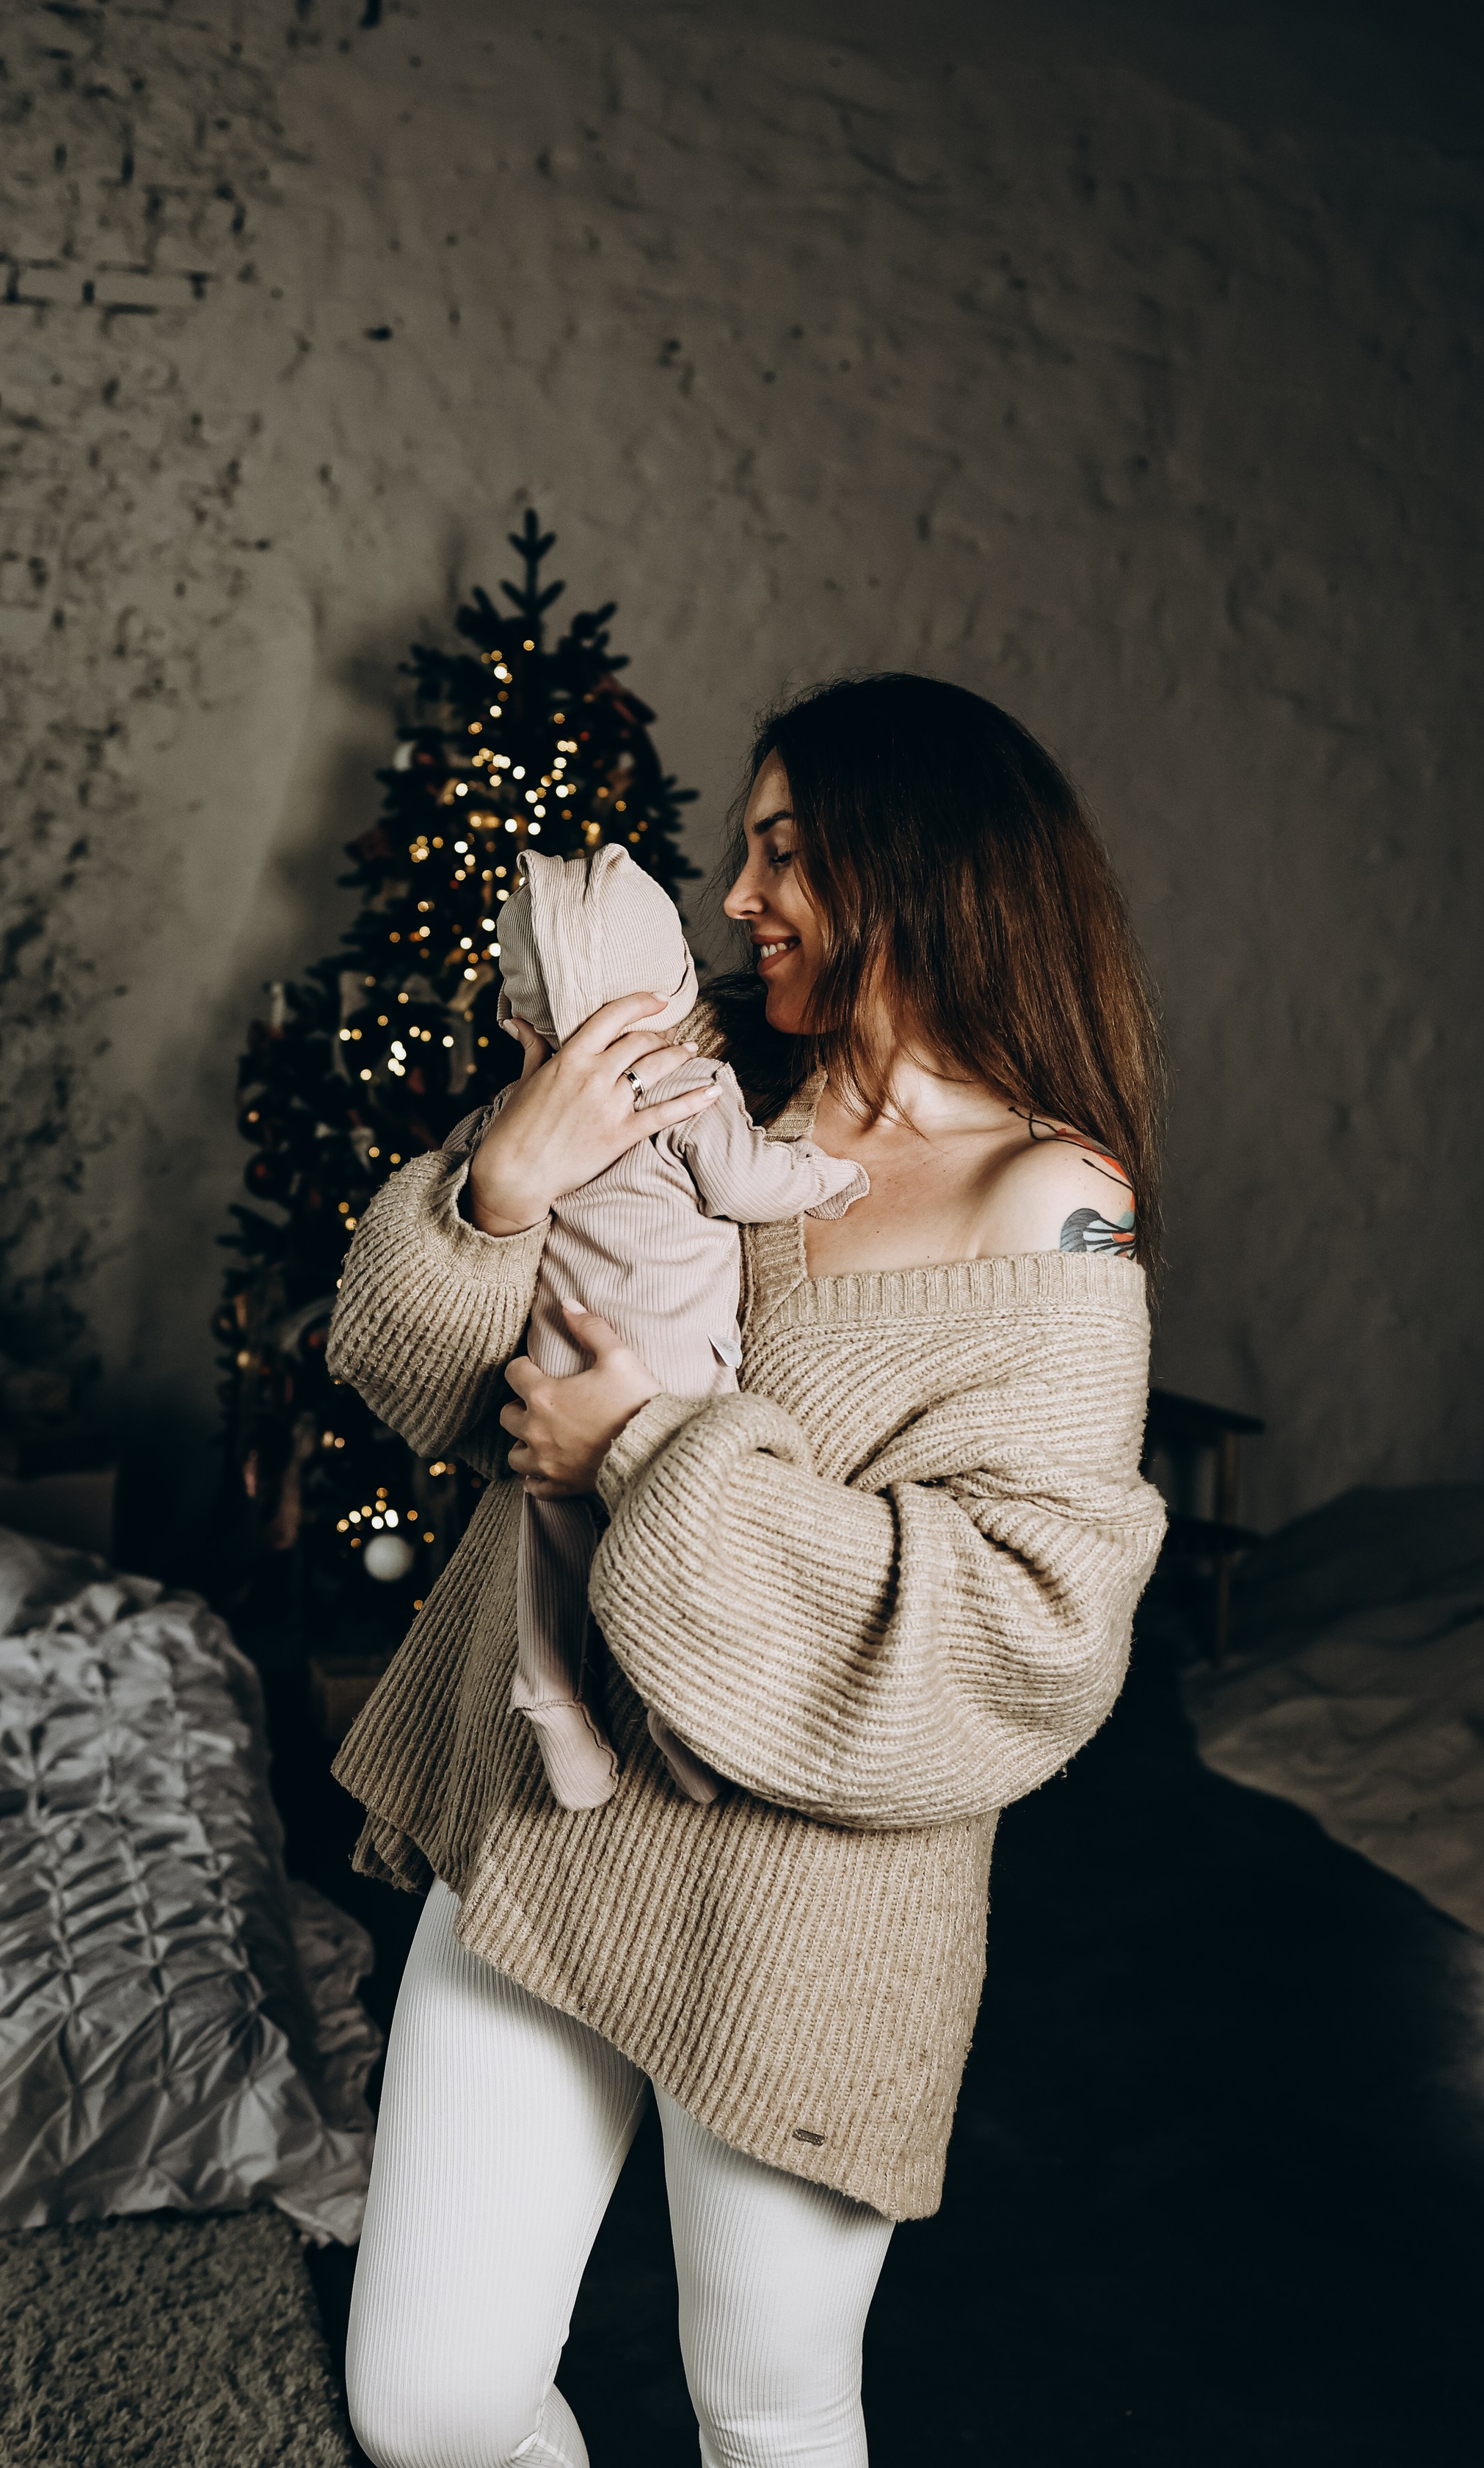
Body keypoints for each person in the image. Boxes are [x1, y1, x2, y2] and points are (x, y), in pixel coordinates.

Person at [328, 672, 1166, 2468]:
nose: (735, 896)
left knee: (769, 2418)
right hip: (546, 1828)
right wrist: (501, 1181)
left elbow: (1028, 1629)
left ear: (913, 860)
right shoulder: (681, 1077)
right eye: (740, 851)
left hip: (807, 1917)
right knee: (428, 2406)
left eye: (782, 849)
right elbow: (414, 1379)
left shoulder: (1054, 1202)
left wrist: (639, 1450)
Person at [490, 840, 868, 1811]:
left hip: (556, 1346)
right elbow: (744, 1183)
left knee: (554, 1524)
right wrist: (828, 1175)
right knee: (676, 1525)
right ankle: (675, 1705)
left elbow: (485, 1177)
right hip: (666, 1356)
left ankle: (551, 1694)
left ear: (521, 1010)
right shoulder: (684, 1080)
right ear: (668, 980)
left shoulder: (525, 1107)